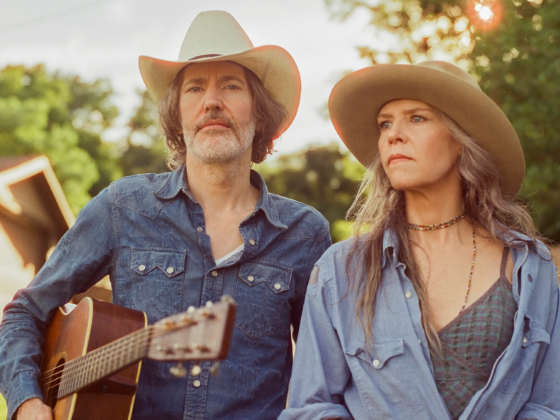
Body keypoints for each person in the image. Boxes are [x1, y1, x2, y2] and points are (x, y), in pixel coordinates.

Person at [0, 10, 331, 420]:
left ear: (259, 111)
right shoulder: (124, 206)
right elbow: (22, 313)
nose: (212, 101)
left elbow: (323, 377)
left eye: (230, 85)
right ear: (177, 113)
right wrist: (27, 404)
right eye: (195, 88)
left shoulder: (304, 233)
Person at [280, 61, 560, 420]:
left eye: (416, 118)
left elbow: (547, 405)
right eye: (385, 123)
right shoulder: (341, 271)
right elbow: (310, 407)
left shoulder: (529, 267)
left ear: (461, 141)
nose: (393, 134)